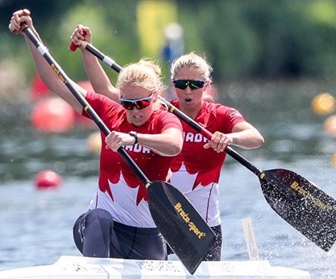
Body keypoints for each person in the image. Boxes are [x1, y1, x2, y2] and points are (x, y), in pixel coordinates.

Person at [70, 24, 265, 261]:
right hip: (161, 219)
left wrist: (229, 138)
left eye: (196, 84)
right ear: (173, 85)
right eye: (182, 84)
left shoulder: (220, 116)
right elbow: (106, 92)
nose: (188, 90)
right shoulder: (159, 110)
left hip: (199, 226)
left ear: (207, 85)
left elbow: (255, 137)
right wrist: (86, 49)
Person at [9, 10, 184, 261]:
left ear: (155, 98)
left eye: (141, 104)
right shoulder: (109, 113)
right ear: (119, 97)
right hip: (103, 229)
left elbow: (174, 145)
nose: (134, 110)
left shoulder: (165, 119)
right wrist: (30, 33)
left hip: (148, 235)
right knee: (97, 217)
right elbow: (56, 81)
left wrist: (133, 138)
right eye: (127, 103)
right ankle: (92, 275)